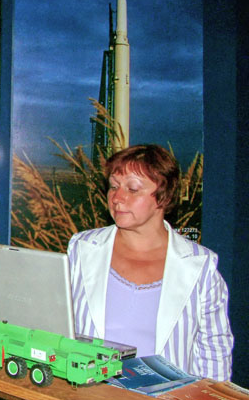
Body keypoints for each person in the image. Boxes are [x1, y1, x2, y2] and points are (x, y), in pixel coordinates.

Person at [67, 144, 233, 381]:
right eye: (113, 186)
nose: (117, 198)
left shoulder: (200, 267)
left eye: (133, 189)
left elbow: (214, 354)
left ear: (163, 197)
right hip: (91, 398)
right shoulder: (81, 248)